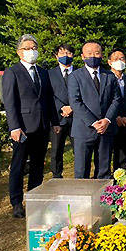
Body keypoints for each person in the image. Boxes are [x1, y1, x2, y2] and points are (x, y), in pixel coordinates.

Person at [1, 34, 59, 218]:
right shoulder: (12, 72)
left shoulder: (43, 72)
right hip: (23, 128)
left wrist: (55, 121)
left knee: (38, 165)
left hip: (41, 126)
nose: (31, 51)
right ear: (19, 52)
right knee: (18, 165)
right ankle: (16, 202)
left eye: (34, 48)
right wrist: (14, 127)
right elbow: (9, 101)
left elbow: (49, 98)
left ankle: (34, 199)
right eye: (27, 48)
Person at [68, 41, 121, 179]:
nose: (93, 56)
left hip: (106, 129)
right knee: (81, 171)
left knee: (104, 170)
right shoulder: (75, 76)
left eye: (97, 53)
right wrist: (93, 122)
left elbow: (116, 99)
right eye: (89, 53)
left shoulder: (109, 76)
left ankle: (103, 192)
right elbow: (75, 102)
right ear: (82, 56)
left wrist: (107, 120)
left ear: (102, 55)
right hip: (83, 129)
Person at [47, 43, 76, 179]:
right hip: (58, 118)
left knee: (79, 149)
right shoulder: (49, 74)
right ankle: (56, 175)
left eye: (69, 53)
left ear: (73, 55)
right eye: (62, 53)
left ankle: (81, 175)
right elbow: (48, 95)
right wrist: (61, 107)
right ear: (56, 56)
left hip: (76, 117)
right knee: (56, 149)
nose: (66, 56)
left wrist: (72, 107)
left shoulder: (80, 73)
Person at [108, 48, 126, 169]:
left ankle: (124, 173)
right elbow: (106, 101)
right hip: (111, 120)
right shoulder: (106, 78)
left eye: (122, 58)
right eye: (116, 59)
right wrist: (116, 116)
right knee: (110, 151)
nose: (119, 61)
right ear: (109, 62)